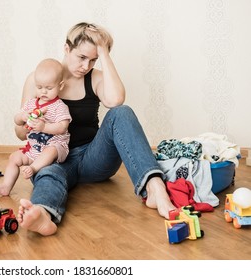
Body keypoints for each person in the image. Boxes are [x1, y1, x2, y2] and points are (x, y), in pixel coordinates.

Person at [15, 22, 176, 236]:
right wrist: (27, 122)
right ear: (66, 49)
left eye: (93, 59)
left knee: (122, 112)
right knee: (48, 173)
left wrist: (103, 51)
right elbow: (20, 134)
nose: (86, 66)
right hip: (51, 158)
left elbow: (116, 100)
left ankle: (155, 187)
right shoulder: (38, 81)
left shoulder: (95, 78)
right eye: (82, 57)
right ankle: (43, 214)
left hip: (93, 158)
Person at [0, 58, 72, 196]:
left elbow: (62, 127)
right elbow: (16, 119)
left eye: (49, 88)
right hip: (34, 148)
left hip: (55, 146)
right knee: (14, 157)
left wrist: (43, 127)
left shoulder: (59, 106)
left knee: (51, 150)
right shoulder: (31, 104)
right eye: (39, 87)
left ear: (60, 86)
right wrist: (22, 117)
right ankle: (5, 186)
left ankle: (33, 168)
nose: (43, 91)